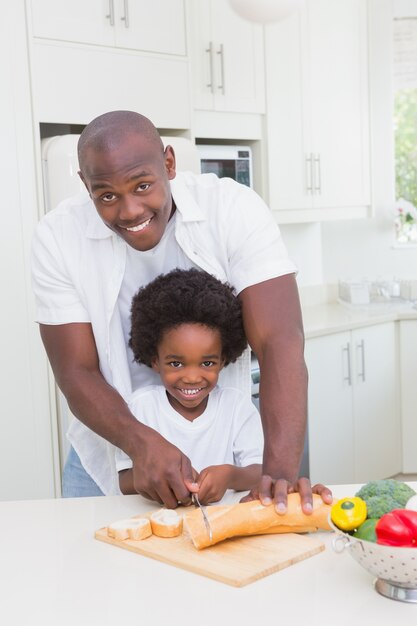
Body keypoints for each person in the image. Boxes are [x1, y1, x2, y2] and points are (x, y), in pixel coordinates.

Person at [31, 109, 332, 511]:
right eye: (106, 195)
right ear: (85, 185)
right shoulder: (57, 237)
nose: (130, 210)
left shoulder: (232, 208)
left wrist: (276, 475)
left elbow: (279, 341)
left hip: (217, 450)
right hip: (109, 454)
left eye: (142, 185)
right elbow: (75, 371)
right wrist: (142, 444)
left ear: (169, 164)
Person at [115, 267, 263, 503]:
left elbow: (259, 473)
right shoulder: (140, 409)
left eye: (207, 362)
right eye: (176, 363)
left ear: (223, 360)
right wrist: (166, 478)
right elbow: (124, 481)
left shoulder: (235, 407)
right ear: (155, 360)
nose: (192, 377)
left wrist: (230, 475)